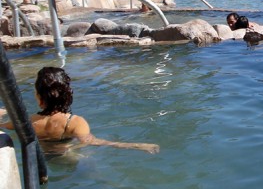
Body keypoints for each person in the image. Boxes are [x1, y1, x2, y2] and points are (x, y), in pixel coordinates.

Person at [0, 67, 159, 154]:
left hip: (42, 157)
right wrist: (137, 145)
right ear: (68, 95)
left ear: (39, 97)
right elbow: (93, 142)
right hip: (68, 156)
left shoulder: (28, 121)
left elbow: (4, 126)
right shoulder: (75, 122)